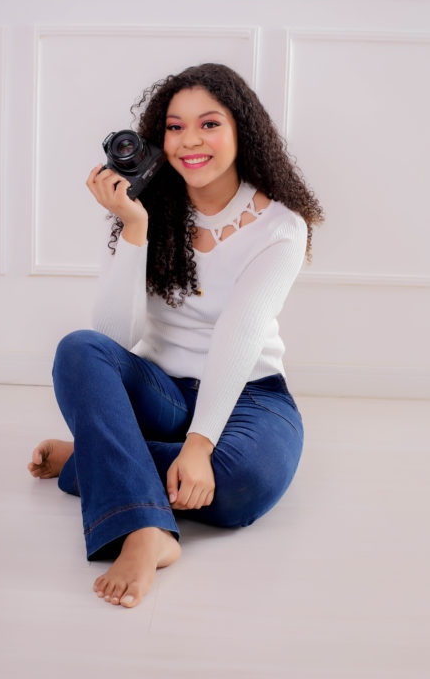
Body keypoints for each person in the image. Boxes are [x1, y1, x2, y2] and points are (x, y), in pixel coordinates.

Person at [27, 63, 324, 609]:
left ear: (242, 130)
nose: (190, 141)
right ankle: (147, 533)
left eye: (209, 124)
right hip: (159, 389)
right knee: (79, 349)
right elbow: (116, 336)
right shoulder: (150, 205)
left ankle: (96, 460)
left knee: (242, 486)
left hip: (249, 395)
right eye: (174, 126)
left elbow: (239, 335)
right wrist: (133, 228)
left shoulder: (281, 225)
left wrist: (200, 444)